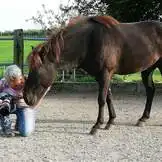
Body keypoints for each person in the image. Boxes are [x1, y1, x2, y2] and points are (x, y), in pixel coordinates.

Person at [0, 64, 35, 137]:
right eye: (9, 82)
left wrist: (25, 101)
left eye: (13, 81)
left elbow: (34, 101)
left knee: (25, 132)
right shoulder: (3, 82)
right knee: (3, 97)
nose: (11, 84)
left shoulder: (28, 83)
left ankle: (19, 122)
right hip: (8, 106)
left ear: (20, 77)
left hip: (23, 107)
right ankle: (6, 127)